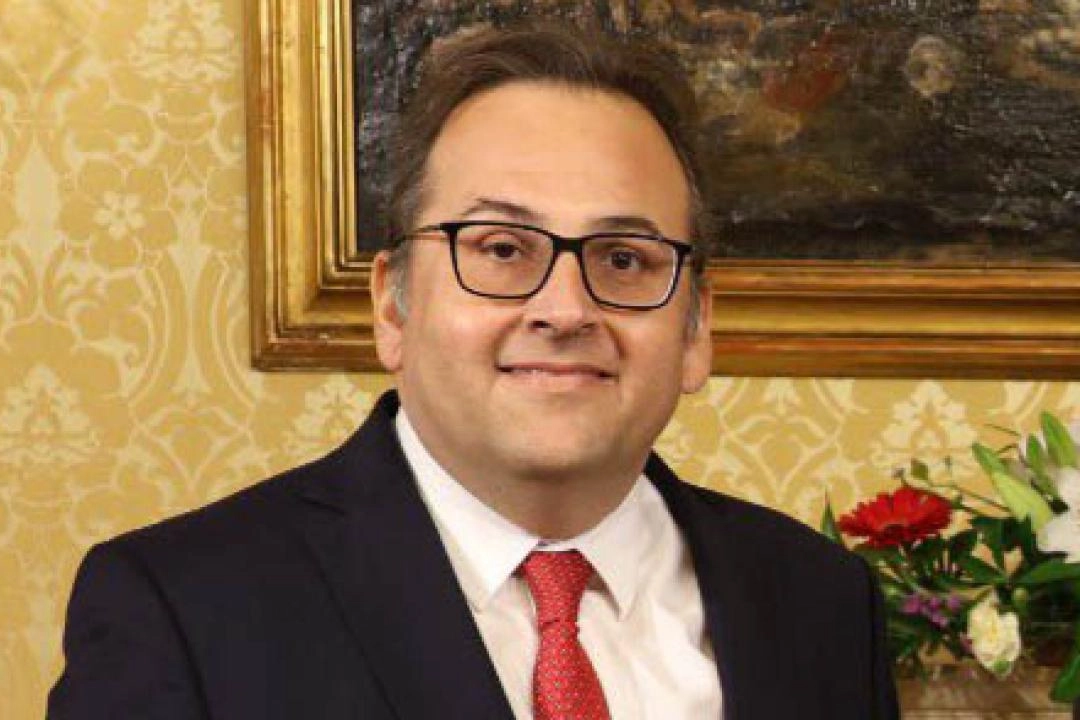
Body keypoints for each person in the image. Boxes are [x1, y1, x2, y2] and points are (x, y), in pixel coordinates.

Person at [49, 24, 899, 719]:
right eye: (500, 249)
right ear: (392, 307)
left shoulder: (822, 602)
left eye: (624, 259)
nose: (565, 309)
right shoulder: (184, 608)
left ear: (696, 328)